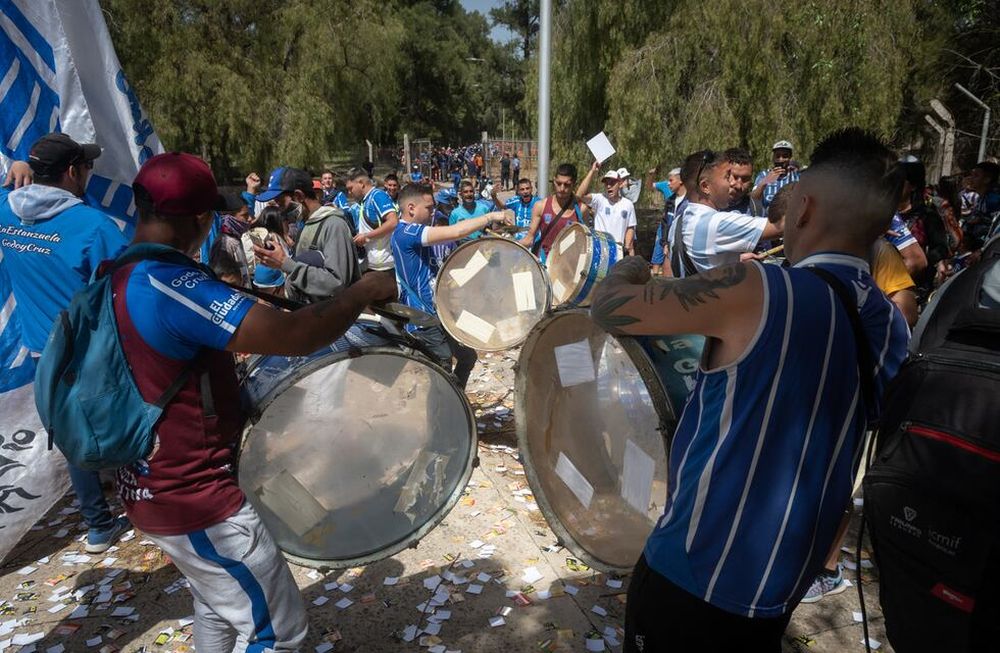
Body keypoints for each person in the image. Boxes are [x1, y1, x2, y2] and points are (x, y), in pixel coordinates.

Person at [590, 127, 910, 652]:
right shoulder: (891, 327)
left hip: (691, 577)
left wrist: (629, 263)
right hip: (781, 586)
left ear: (803, 207)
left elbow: (612, 306)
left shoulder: (758, 289)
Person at [111, 151, 396, 653]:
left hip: (149, 488)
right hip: (198, 500)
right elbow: (296, 333)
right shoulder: (173, 286)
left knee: (217, 602)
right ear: (202, 220)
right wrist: (362, 291)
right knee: (277, 634)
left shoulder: (115, 276)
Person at [0, 133, 130, 553]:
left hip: (44, 350)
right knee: (122, 417)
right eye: (87, 167)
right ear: (74, 172)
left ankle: (97, 523)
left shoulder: (6, 211)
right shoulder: (93, 226)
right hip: (92, 348)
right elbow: (126, 285)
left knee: (72, 432)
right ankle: (122, 509)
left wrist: (16, 168)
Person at [392, 184, 511, 388]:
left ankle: (455, 401)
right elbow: (457, 231)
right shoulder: (406, 232)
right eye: (428, 208)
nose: (433, 212)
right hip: (422, 318)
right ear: (411, 208)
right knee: (442, 369)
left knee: (467, 358)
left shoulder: (414, 235)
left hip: (439, 313)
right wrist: (492, 217)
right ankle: (443, 411)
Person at [253, 167, 360, 303]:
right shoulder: (305, 223)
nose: (278, 209)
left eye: (280, 202)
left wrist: (285, 263)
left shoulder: (333, 225)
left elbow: (336, 283)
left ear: (299, 196)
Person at [669, 150, 782, 277]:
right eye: (727, 177)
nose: (732, 183)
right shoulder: (716, 223)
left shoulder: (678, 221)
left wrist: (736, 260)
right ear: (705, 186)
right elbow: (779, 226)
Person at [518, 163, 584, 259]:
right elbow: (529, 239)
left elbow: (583, 242)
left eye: (567, 185)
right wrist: (508, 245)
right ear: (554, 181)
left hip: (568, 267)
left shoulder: (581, 209)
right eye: (558, 183)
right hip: (544, 264)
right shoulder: (540, 206)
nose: (562, 188)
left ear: (574, 184)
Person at [577, 163, 637, 255]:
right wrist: (592, 171)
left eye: (612, 183)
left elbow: (630, 227)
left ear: (620, 184)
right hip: (600, 250)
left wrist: (627, 246)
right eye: (606, 183)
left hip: (618, 252)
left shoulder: (628, 204)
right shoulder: (599, 199)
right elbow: (579, 195)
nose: (609, 186)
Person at [345, 168, 397, 272]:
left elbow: (393, 222)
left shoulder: (377, 196)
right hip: (372, 264)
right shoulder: (365, 200)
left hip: (385, 267)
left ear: (361, 183)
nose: (349, 193)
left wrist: (366, 236)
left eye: (351, 188)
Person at [648, 167, 685, 275]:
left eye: (671, 181)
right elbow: (665, 223)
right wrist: (664, 243)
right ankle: (656, 275)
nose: (668, 184)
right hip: (667, 240)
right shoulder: (670, 202)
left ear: (681, 180)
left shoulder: (690, 201)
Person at [751, 140, 801, 209]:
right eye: (777, 156)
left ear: (790, 158)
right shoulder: (763, 175)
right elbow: (753, 198)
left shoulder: (797, 177)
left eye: (785, 156)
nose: (781, 159)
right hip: (766, 218)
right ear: (773, 157)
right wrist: (764, 182)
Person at [725, 148, 763, 216]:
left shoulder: (755, 209)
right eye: (735, 177)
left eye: (745, 179)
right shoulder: (705, 207)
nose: (739, 186)